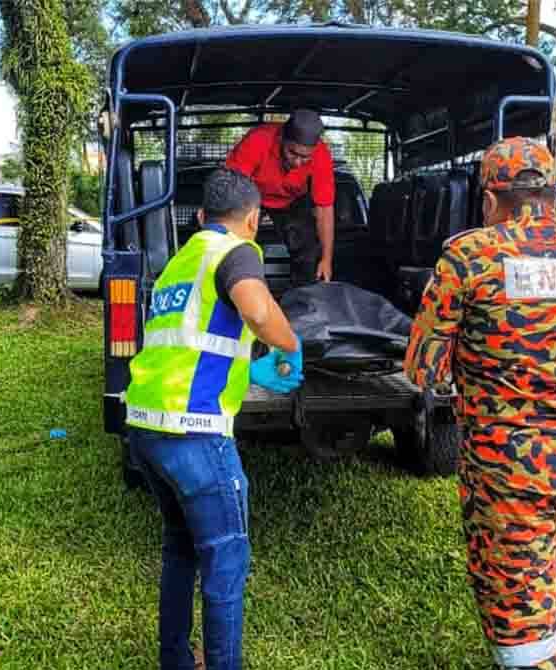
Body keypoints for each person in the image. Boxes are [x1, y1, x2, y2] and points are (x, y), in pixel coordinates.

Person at [403, 137, 556, 670]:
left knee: (520, 621)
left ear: (490, 199)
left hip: (514, 470)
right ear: (552, 194)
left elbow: (424, 370)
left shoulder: (469, 256)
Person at [124, 168, 303, 670]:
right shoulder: (238, 251)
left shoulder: (181, 262)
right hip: (195, 435)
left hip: (146, 428)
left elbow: (194, 347)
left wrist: (250, 364)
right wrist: (290, 344)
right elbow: (256, 308)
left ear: (200, 217)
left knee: (181, 550)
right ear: (254, 218)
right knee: (225, 562)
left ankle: (176, 660)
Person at [226, 109, 335, 284]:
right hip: (251, 196)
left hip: (292, 201)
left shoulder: (321, 155)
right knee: (237, 246)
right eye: (292, 153)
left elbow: (324, 209)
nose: (297, 162)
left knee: (308, 250)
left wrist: (326, 260)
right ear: (282, 139)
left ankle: (303, 297)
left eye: (305, 157)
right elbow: (232, 187)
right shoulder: (258, 140)